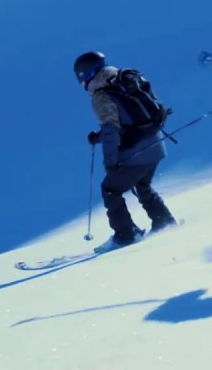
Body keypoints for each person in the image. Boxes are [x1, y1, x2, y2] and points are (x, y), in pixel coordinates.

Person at [74, 51, 178, 251]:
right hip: (156, 146)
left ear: (86, 74)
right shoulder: (124, 80)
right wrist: (100, 135)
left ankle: (126, 235)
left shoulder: (101, 95)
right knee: (142, 185)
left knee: (110, 190)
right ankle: (164, 222)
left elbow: (112, 130)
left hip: (136, 153)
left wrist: (110, 162)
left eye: (81, 77)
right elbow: (128, 119)